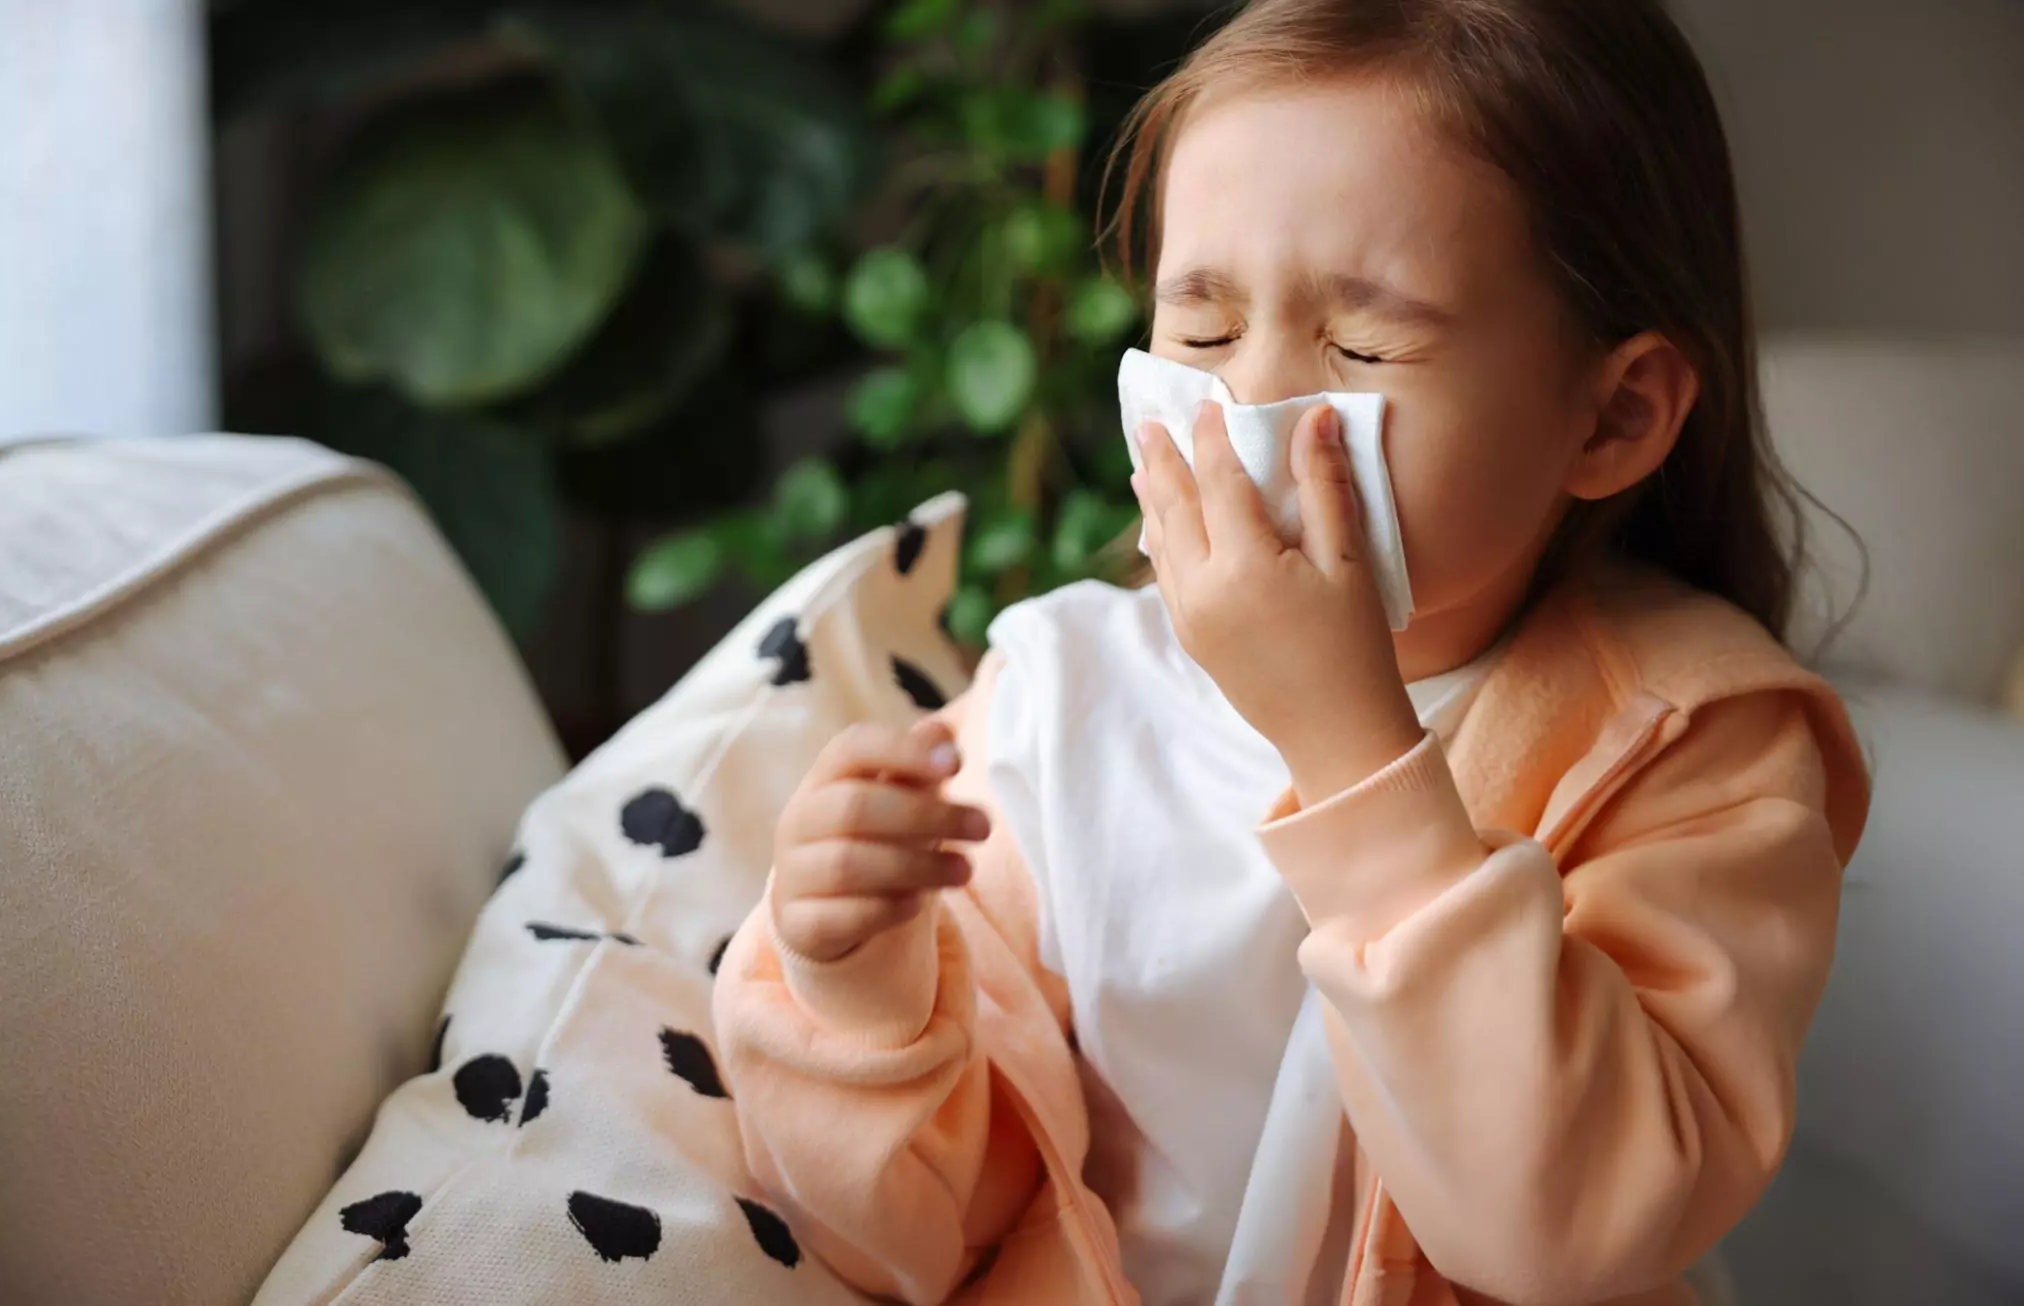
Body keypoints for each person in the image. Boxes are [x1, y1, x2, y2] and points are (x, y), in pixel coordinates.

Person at [712, 1, 1870, 1302]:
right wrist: (860, 988)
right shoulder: (1058, 702)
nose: (1249, 400)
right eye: (1200, 331)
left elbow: (1567, 1232)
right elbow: (931, 1229)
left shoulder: (1697, 742)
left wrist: (1351, 745)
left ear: (1612, 416)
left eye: (1363, 344)